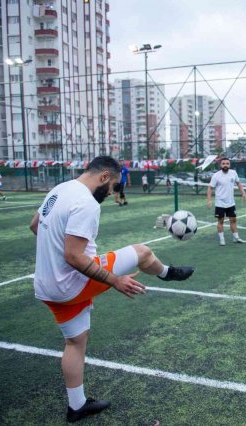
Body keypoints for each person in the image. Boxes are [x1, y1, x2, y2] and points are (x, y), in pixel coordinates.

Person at [29, 156, 194, 423]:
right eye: (114, 185)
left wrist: (57, 254)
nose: (112, 192)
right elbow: (74, 257)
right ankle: (166, 273)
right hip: (72, 283)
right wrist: (114, 280)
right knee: (142, 252)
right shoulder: (86, 202)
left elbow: (35, 225)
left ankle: (77, 406)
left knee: (75, 342)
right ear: (105, 177)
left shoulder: (59, 189)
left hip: (47, 286)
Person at [207, 157, 246, 246]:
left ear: (229, 165)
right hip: (220, 203)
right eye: (223, 163)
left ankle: (236, 237)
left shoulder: (233, 173)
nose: (225, 165)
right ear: (220, 165)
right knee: (220, 221)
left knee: (233, 220)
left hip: (231, 203)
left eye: (227, 163)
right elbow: (210, 188)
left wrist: (243, 192)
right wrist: (209, 200)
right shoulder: (216, 175)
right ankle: (222, 239)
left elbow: (238, 183)